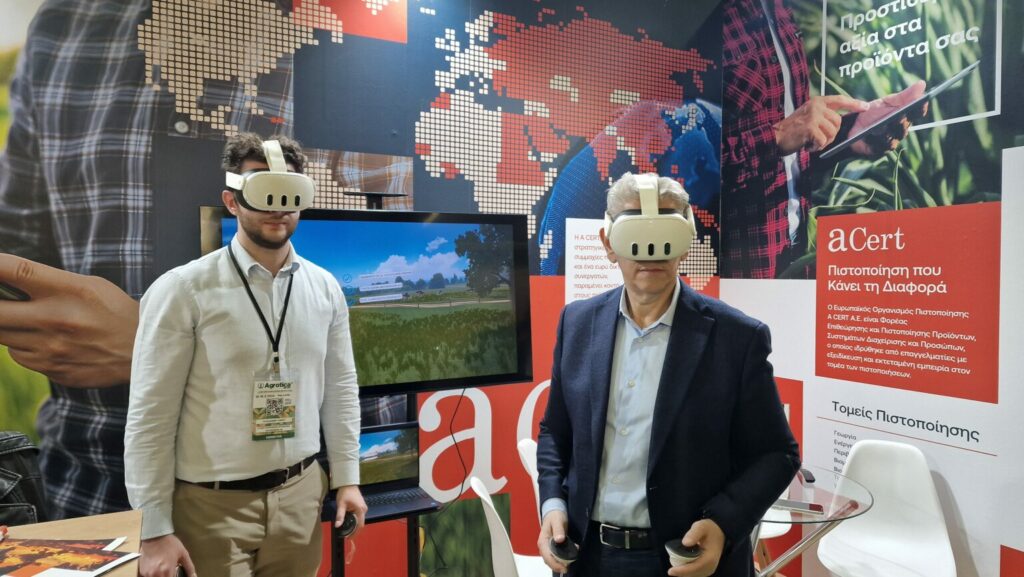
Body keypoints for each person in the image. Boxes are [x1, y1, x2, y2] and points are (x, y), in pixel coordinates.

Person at [124, 133, 365, 577]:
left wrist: (348, 478)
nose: (278, 206)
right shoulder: (182, 291)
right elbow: (150, 415)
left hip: (301, 497)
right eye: (261, 189)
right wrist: (153, 528)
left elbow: (341, 391)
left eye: (289, 192)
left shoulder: (325, 288)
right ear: (231, 201)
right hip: (210, 507)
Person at [536, 173, 800, 576]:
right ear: (608, 243)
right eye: (636, 233)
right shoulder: (577, 323)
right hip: (589, 556)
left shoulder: (737, 338)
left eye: (665, 231)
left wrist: (722, 522)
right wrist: (552, 504)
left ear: (687, 238)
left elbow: (777, 454)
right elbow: (556, 431)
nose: (651, 251)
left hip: (686, 558)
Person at [721, 0, 927, 279]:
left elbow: (787, 156)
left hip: (793, 262)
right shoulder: (703, 16)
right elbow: (672, 159)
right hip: (734, 276)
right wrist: (776, 137)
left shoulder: (780, 11)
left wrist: (851, 133)